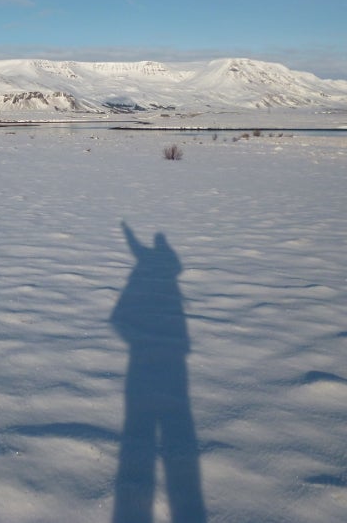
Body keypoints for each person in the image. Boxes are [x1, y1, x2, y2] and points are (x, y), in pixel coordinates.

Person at [110, 222, 206, 523]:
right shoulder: (167, 271)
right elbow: (141, 253)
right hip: (175, 361)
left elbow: (118, 317)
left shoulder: (153, 271)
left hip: (152, 363)